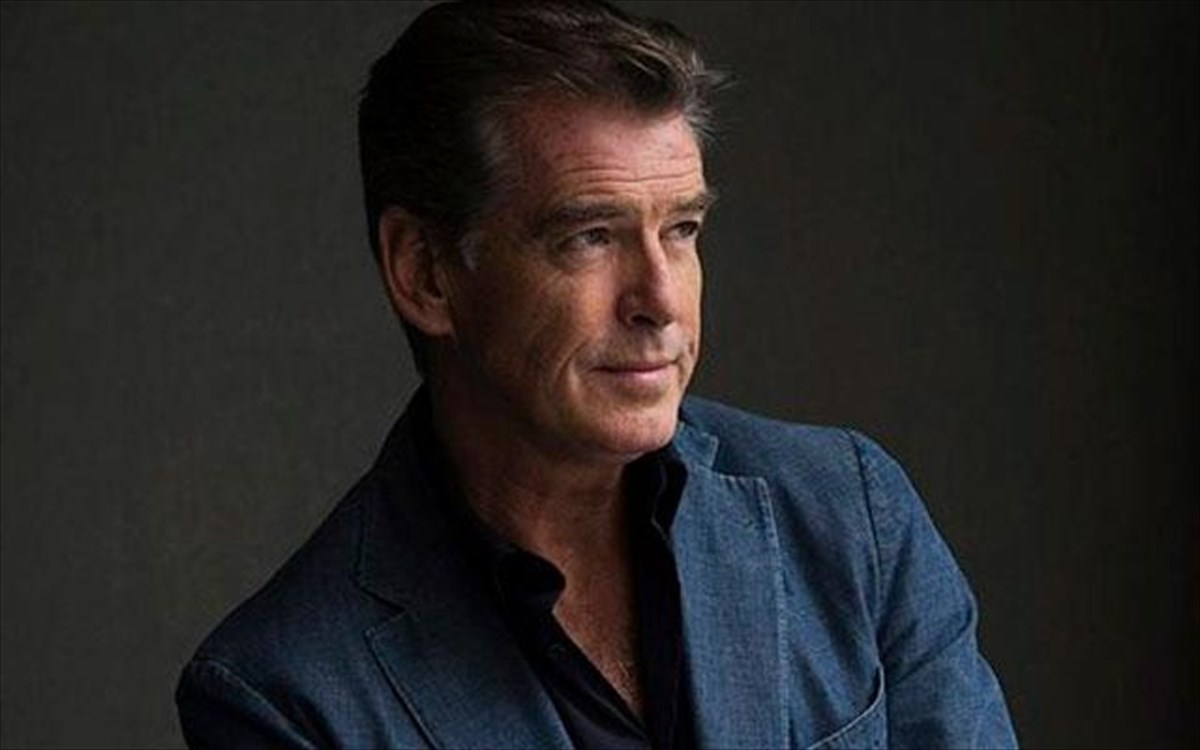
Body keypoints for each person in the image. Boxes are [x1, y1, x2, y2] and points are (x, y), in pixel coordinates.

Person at [175, 1, 1018, 748]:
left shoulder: (852, 518)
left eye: (681, 230)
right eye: (590, 237)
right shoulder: (285, 695)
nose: (661, 300)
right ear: (425, 273)